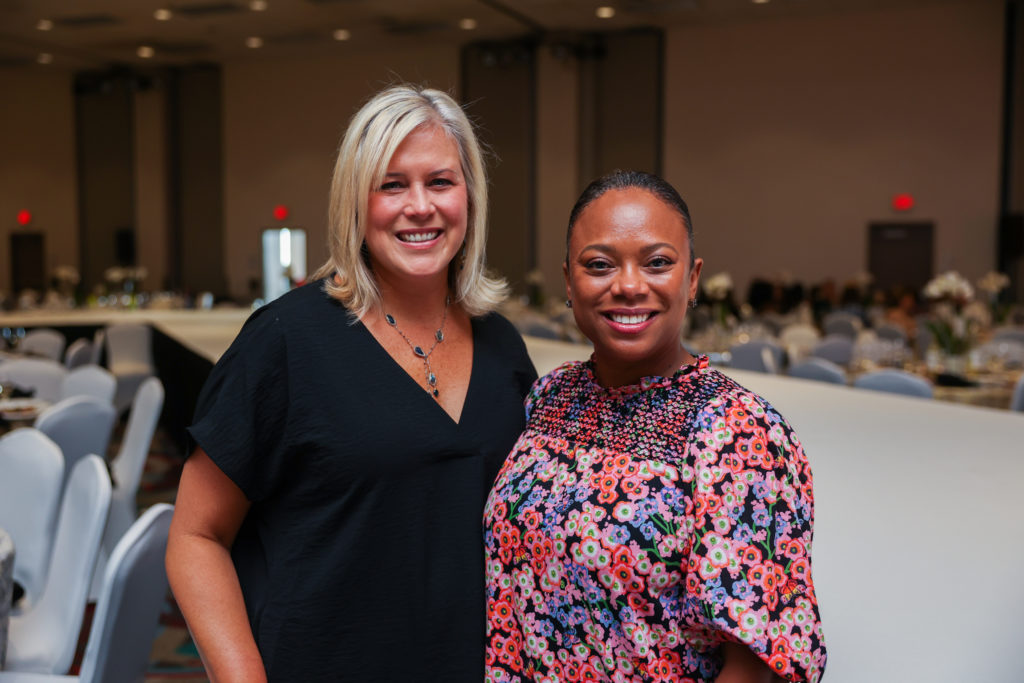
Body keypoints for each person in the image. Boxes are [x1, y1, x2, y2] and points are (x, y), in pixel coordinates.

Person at [166, 84, 537, 682]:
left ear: (470, 195)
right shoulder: (286, 340)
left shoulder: (504, 349)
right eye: (392, 185)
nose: (420, 206)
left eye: (440, 181)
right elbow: (194, 536)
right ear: (355, 202)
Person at [483, 171, 826, 682]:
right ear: (569, 282)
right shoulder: (551, 397)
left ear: (692, 280)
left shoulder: (740, 433)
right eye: (599, 265)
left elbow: (760, 664)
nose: (627, 285)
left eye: (658, 263)